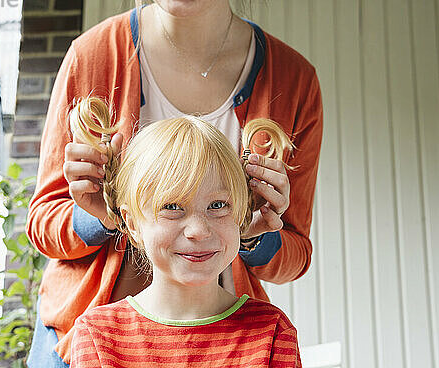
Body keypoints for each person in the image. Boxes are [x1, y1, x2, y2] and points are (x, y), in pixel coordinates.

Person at [26, 0, 323, 366]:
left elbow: (296, 252)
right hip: (83, 343)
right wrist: (104, 215)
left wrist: (250, 234)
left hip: (218, 347)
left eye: (217, 207)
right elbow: (42, 223)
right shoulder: (93, 55)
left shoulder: (294, 79)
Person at [69, 96, 301, 367]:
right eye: (172, 206)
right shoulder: (97, 336)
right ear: (132, 224)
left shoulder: (272, 332)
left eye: (217, 205)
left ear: (240, 213)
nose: (199, 231)